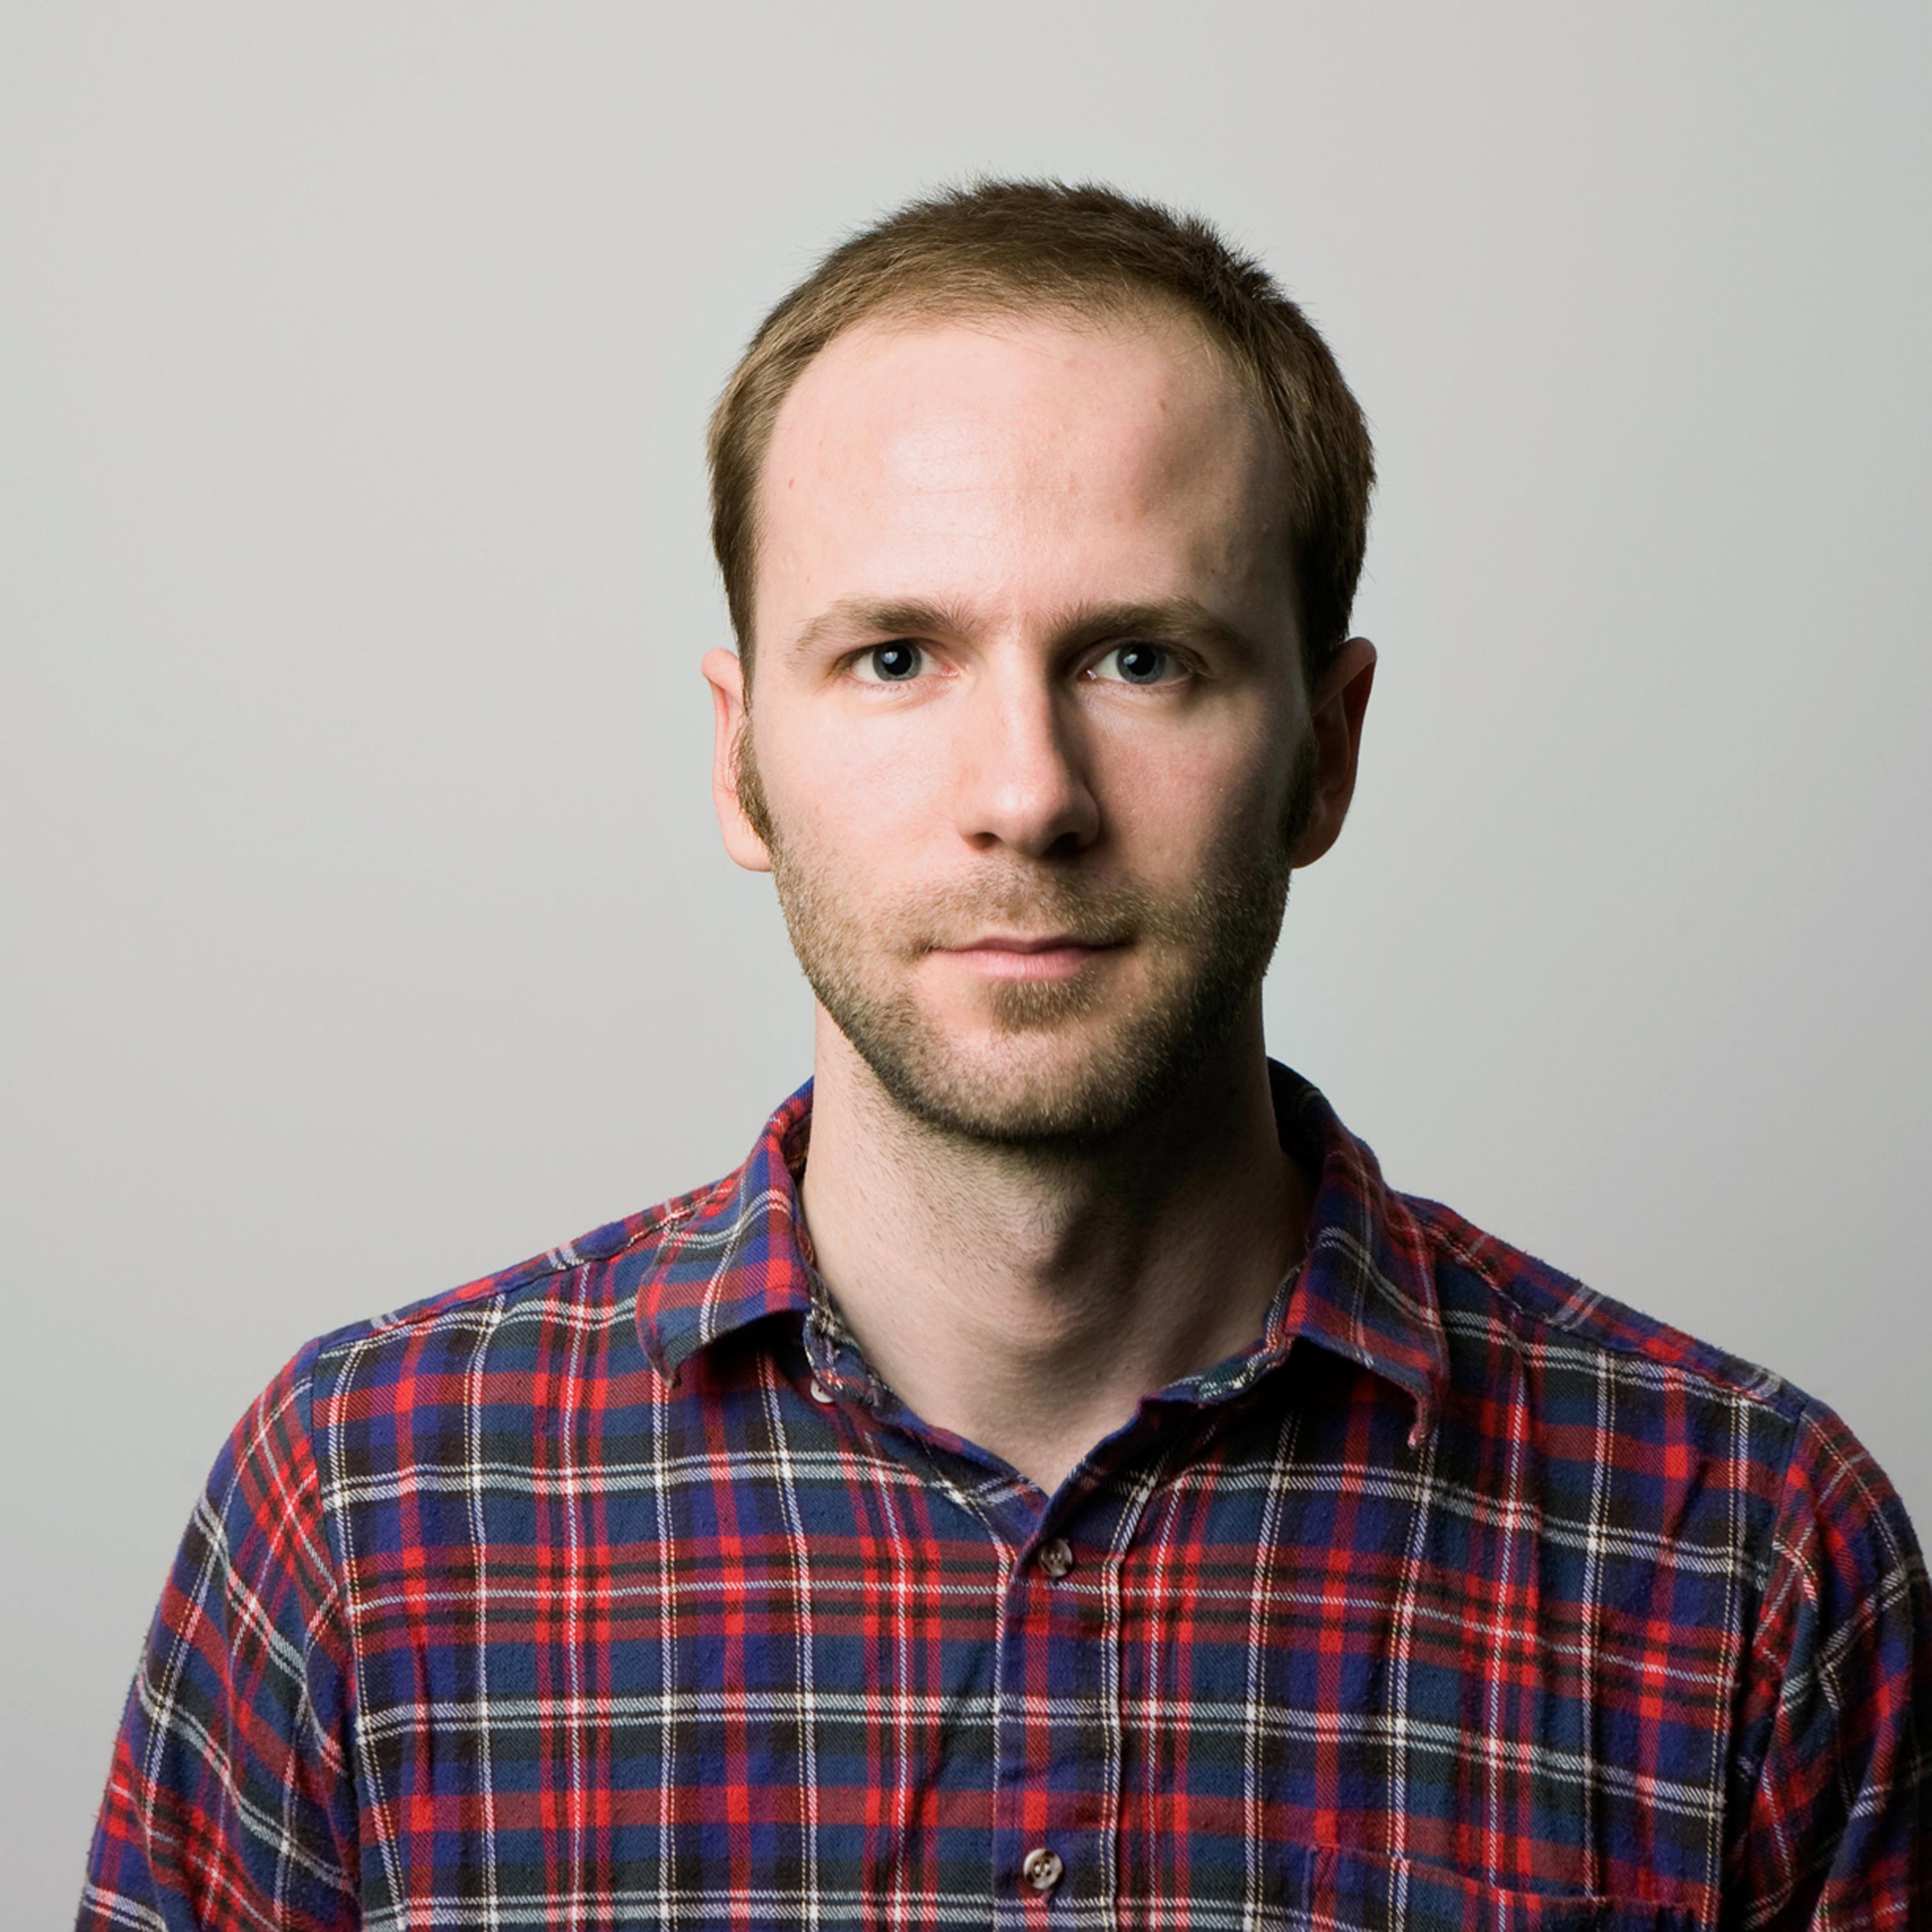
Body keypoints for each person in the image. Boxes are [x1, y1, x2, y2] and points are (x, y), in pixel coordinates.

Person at [79, 180, 1927, 1930]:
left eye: (1141, 659)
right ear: (740, 757)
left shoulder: (1746, 1560)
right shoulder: (363, 1520)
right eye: (895, 657)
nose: (1027, 797)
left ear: (1325, 752)